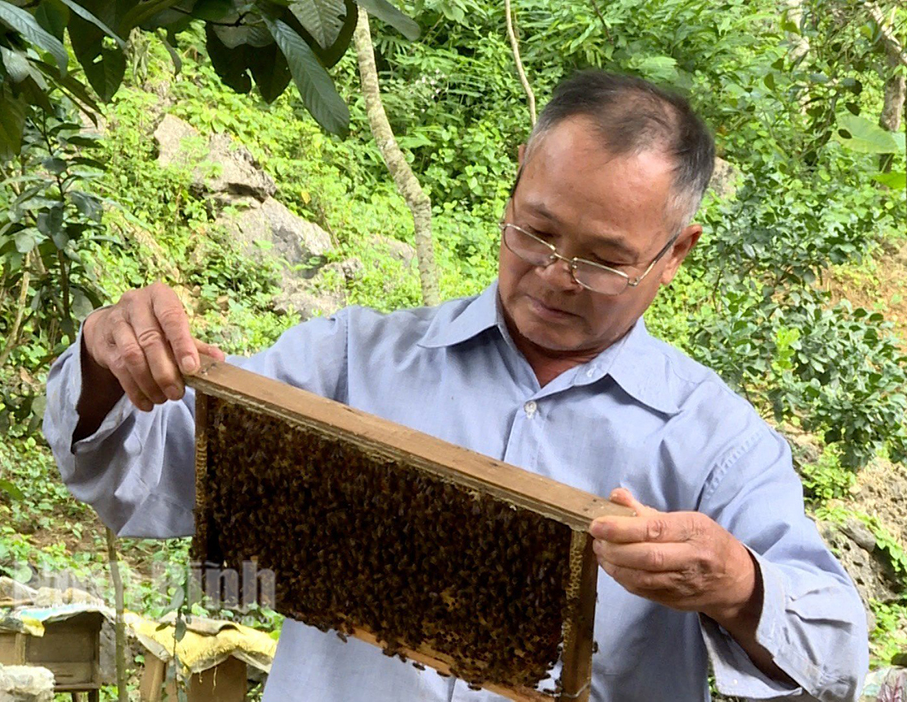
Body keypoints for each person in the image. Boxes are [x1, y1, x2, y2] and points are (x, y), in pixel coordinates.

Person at [44, 70, 867, 701]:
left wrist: (739, 583)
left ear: (675, 253)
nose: (556, 276)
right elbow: (135, 472)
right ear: (514, 181)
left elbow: (837, 661)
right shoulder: (346, 363)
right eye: (536, 232)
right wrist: (103, 362)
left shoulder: (717, 443)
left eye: (605, 261)